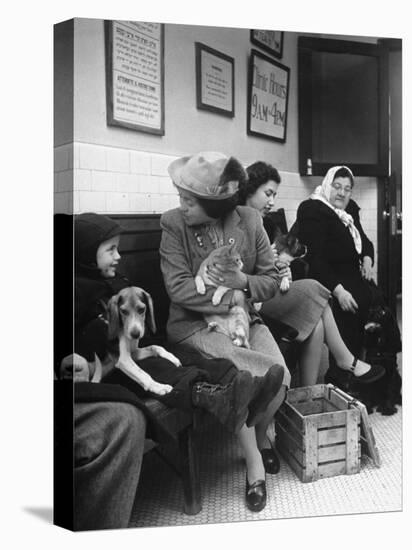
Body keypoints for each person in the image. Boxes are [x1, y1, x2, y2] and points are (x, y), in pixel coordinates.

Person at [58, 212, 284, 527]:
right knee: (174, 373)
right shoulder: (75, 291)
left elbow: (139, 325)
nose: (118, 255)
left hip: (138, 351)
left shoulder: (112, 282)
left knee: (201, 363)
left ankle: (235, 388)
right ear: (84, 252)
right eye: (110, 249)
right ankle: (224, 395)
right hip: (111, 369)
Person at [160, 151, 288, 513]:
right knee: (246, 376)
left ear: (214, 206)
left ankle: (261, 438)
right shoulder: (173, 224)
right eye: (181, 198)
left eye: (189, 201)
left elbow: (271, 280)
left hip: (243, 319)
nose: (182, 206)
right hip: (192, 327)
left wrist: (244, 282)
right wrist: (233, 295)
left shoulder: (249, 220)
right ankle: (255, 465)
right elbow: (179, 289)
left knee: (282, 375)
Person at [238, 161, 384, 386]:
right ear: (249, 189)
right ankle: (345, 360)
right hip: (253, 297)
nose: (272, 201)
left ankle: (310, 393)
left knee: (315, 325)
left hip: (271, 287)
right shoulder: (237, 223)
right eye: (268, 194)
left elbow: (268, 262)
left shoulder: (264, 222)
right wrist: (274, 269)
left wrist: (279, 266)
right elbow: (245, 270)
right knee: (319, 291)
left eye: (347, 188)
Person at [295, 165, 396, 377]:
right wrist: (339, 291)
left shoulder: (349, 210)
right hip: (327, 278)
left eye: (347, 188)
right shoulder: (313, 209)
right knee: (354, 306)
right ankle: (343, 377)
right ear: (326, 184)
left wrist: (367, 261)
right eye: (337, 186)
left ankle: (378, 375)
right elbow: (316, 259)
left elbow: (365, 242)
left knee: (382, 308)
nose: (342, 192)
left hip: (353, 276)